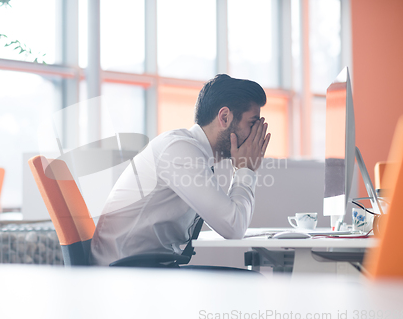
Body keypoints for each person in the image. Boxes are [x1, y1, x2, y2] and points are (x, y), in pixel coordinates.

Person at [89, 74, 271, 266]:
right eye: (252, 124)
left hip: (146, 267)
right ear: (224, 117)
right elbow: (234, 227)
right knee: (249, 281)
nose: (257, 135)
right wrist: (245, 169)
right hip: (126, 273)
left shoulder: (192, 152)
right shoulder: (179, 150)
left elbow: (232, 224)